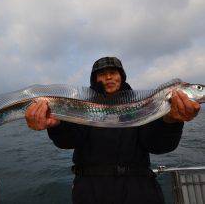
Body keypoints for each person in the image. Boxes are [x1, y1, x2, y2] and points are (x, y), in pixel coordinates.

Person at [25, 57, 200, 204]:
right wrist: (57, 126)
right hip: (90, 190)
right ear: (95, 80)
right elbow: (69, 141)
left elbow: (157, 145)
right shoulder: (79, 107)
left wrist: (170, 121)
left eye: (114, 72)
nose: (109, 77)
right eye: (102, 73)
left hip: (140, 189)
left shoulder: (145, 105)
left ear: (121, 77)